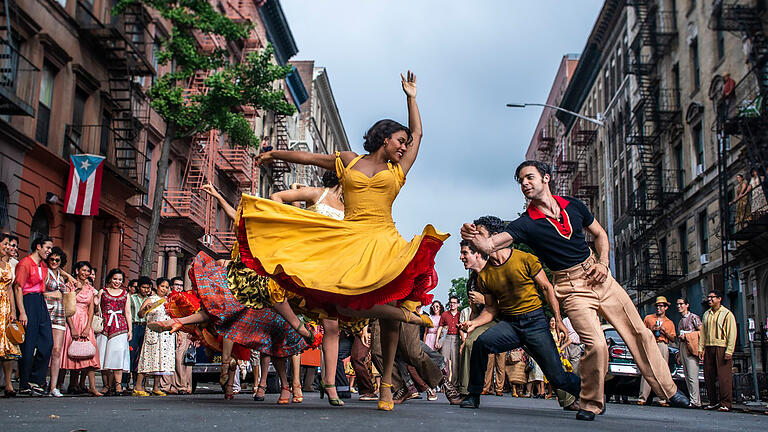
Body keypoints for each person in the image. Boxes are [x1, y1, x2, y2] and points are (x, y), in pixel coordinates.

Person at [238, 71, 447, 411]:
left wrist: (411, 96)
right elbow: (309, 158)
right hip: (349, 238)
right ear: (384, 139)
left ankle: (386, 388)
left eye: (406, 143)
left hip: (384, 239)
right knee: (345, 305)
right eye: (400, 140)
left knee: (390, 308)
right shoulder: (350, 160)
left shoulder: (399, 169)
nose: (405, 146)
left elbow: (420, 132)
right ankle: (410, 318)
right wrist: (275, 154)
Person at [460, 161, 690, 421]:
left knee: (639, 333)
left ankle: (669, 392)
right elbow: (491, 244)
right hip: (571, 288)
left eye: (529, 177)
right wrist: (473, 237)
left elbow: (600, 235)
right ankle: (590, 403)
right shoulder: (525, 224)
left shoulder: (574, 205)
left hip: (599, 276)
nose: (524, 183)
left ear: (546, 178)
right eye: (521, 180)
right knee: (596, 344)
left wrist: (604, 263)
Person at [149, 252, 309, 401]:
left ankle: (290, 385)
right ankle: (282, 386)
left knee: (225, 312)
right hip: (263, 301)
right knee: (269, 342)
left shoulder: (277, 253)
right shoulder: (253, 252)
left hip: (277, 299)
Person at [458, 215, 580, 410]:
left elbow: (548, 288)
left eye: (480, 235)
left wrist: (558, 320)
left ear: (495, 237)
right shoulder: (485, 274)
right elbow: (490, 309)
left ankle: (586, 391)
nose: (476, 240)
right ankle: (473, 395)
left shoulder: (525, 259)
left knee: (557, 377)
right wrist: (474, 323)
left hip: (535, 323)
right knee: (481, 344)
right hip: (511, 325)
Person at [13, 236, 53, 396]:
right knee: (28, 344)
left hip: (40, 302)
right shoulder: (25, 263)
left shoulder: (43, 265)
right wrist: (22, 311)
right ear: (38, 246)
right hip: (27, 301)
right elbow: (18, 288)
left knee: (47, 341)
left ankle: (35, 379)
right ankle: (24, 383)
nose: (49, 252)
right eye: (47, 248)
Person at [60, 261, 102, 397]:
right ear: (77, 271)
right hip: (71, 317)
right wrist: (72, 327)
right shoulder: (69, 285)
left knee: (89, 353)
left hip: (85, 320)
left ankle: (92, 387)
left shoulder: (90, 288)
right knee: (67, 352)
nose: (85, 273)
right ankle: (58, 384)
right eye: (83, 270)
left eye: (88, 271)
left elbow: (91, 309)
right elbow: (67, 306)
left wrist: (88, 326)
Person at [456, 240, 490, 397]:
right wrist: (469, 327)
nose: (461, 257)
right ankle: (465, 391)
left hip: (511, 318)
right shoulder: (471, 282)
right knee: (469, 344)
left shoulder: (494, 272)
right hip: (487, 320)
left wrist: (484, 300)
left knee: (540, 348)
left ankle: (569, 396)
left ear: (477, 254)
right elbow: (475, 312)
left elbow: (509, 302)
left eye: (465, 253)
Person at [43, 247, 76, 397]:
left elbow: (76, 286)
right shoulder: (44, 272)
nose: (55, 262)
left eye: (58, 260)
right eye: (52, 259)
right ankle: (40, 381)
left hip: (60, 312)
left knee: (57, 350)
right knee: (44, 348)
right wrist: (53, 293)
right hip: (46, 309)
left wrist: (68, 276)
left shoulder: (61, 276)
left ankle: (53, 386)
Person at [134, 277, 175, 396]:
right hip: (153, 332)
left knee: (161, 360)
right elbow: (140, 314)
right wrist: (146, 309)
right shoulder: (151, 299)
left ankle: (156, 387)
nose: (164, 289)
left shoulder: (169, 300)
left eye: (167, 287)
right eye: (162, 286)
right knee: (147, 358)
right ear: (157, 287)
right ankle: (138, 386)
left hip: (166, 334)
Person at [700, 290, 737, 412]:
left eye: (712, 298)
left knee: (723, 377)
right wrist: (701, 348)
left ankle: (726, 403)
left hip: (722, 346)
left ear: (719, 298)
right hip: (709, 347)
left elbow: (732, 333)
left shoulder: (727, 314)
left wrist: (729, 350)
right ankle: (713, 401)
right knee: (709, 376)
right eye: (709, 298)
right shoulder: (706, 314)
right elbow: (703, 333)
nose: (709, 300)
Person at [96, 268, 131, 396]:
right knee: (103, 355)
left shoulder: (125, 293)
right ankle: (106, 385)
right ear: (110, 278)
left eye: (120, 279)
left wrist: (130, 329)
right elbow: (96, 308)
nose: (117, 281)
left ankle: (118, 385)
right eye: (115, 279)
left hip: (120, 326)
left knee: (117, 354)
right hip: (105, 325)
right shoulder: (103, 292)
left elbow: (127, 312)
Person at [638, 296, 676, 405]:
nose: (659, 308)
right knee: (647, 369)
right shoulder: (649, 318)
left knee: (663, 371)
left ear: (666, 308)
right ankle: (642, 398)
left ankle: (663, 398)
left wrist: (664, 331)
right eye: (657, 306)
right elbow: (641, 332)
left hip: (663, 345)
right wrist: (651, 330)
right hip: (651, 344)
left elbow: (673, 338)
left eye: (661, 306)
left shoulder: (669, 323)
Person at [0, 233, 21, 397]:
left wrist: (13, 310)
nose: (8, 247)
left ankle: (8, 384)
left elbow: (9, 289)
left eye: (9, 244)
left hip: (5, 307)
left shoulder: (7, 266)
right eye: (5, 244)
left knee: (8, 344)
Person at [168, 276, 192, 394]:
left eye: (180, 285)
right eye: (176, 285)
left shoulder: (185, 298)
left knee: (182, 359)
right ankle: (172, 385)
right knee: (171, 358)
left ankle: (184, 385)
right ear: (172, 286)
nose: (178, 287)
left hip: (184, 330)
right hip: (170, 330)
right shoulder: (169, 298)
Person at [676, 297, 702, 408]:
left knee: (692, 375)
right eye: (678, 304)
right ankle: (693, 400)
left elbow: (702, 332)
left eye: (681, 304)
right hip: (683, 347)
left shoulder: (694, 317)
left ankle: (696, 401)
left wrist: (687, 335)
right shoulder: (681, 321)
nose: (679, 306)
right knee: (687, 375)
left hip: (691, 348)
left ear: (687, 305)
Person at [128, 276, 151, 392]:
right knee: (131, 354)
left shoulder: (151, 299)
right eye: (143, 287)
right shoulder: (132, 298)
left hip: (145, 327)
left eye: (148, 288)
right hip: (134, 325)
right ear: (139, 287)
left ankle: (140, 383)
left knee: (143, 355)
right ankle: (125, 382)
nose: (146, 290)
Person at [436, 296, 461, 386]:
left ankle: (454, 384)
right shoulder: (444, 314)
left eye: (454, 303)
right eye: (451, 302)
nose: (452, 304)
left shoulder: (460, 314)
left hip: (456, 339)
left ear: (458, 304)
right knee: (444, 361)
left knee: (455, 362)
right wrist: (436, 341)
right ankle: (443, 384)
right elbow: (440, 327)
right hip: (446, 338)